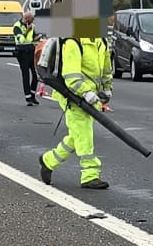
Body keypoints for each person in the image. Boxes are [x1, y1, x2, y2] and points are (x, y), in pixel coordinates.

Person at [38, 19, 113, 191]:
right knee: (84, 134)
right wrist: (86, 93)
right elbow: (71, 77)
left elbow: (107, 69)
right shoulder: (73, 42)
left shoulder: (101, 41)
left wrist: (107, 89)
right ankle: (90, 175)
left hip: (91, 96)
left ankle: (48, 161)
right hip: (72, 95)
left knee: (76, 136)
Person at [12, 10, 41, 105]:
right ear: (27, 19)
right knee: (26, 75)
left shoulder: (31, 26)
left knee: (35, 75)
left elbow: (31, 39)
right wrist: (27, 30)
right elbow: (21, 40)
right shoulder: (17, 26)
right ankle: (28, 97)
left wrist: (38, 37)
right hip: (22, 52)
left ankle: (33, 95)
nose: (33, 22)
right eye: (32, 20)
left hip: (31, 51)